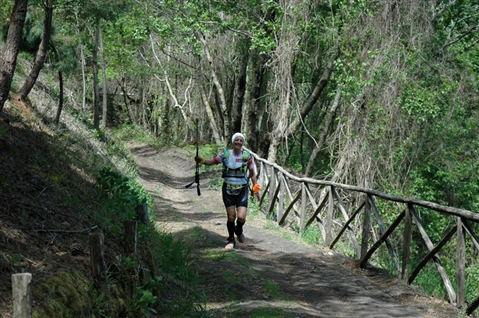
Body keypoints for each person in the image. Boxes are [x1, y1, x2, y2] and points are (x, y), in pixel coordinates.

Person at [195, 132, 261, 250]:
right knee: (231, 216)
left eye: (241, 140)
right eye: (237, 140)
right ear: (233, 141)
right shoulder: (225, 155)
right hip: (228, 189)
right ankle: (231, 239)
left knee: (241, 217)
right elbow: (211, 162)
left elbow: (252, 173)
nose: (239, 142)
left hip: (242, 189)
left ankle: (238, 230)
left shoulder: (247, 156)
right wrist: (201, 160)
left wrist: (255, 189)